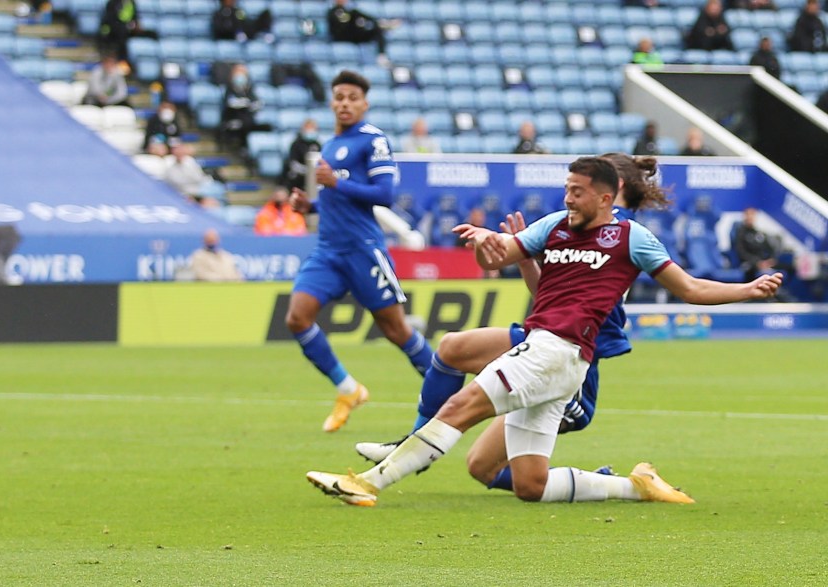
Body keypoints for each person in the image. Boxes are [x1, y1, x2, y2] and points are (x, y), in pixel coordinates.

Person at [307, 156, 783, 507]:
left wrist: (748, 290)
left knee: (461, 405)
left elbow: (691, 288)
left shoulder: (631, 238)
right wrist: (484, 244)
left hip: (561, 353)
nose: (567, 198)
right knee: (529, 485)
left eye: (577, 191)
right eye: (566, 188)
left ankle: (368, 482)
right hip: (551, 352)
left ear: (604, 196)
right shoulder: (554, 225)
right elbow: (502, 256)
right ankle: (634, 486)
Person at [355, 153, 676, 499]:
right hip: (544, 340)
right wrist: (523, 256)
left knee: (475, 425)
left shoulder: (620, 232)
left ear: (614, 189)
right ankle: (625, 486)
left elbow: (678, 284)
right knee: (480, 452)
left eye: (584, 186)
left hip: (574, 364)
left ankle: (409, 453)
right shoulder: (577, 223)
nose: (572, 196)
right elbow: (547, 297)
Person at [286, 70, 433, 433]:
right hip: (328, 251)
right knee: (297, 317)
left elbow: (384, 195)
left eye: (352, 97)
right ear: (331, 102)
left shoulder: (372, 140)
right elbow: (339, 197)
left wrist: (338, 181)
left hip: (362, 250)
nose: (345, 103)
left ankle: (445, 387)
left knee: (396, 330)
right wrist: (313, 207)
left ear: (365, 103)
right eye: (339, 97)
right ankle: (348, 389)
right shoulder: (331, 144)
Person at [219, 63, 269, 151]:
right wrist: (244, 103)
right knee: (245, 124)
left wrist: (251, 104)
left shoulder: (249, 88)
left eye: (243, 73)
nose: (240, 76)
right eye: (239, 73)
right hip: (232, 117)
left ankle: (253, 149)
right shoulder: (229, 87)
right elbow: (229, 103)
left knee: (266, 127)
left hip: (247, 118)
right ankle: (243, 148)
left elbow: (255, 102)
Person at [327, 0, 391, 68]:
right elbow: (342, 23)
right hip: (341, 37)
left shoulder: (351, 12)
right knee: (356, 18)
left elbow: (364, 18)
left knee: (377, 30)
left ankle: (381, 55)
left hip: (354, 36)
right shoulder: (333, 11)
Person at [96, 0, 157, 66]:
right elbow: (110, 19)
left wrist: (136, 25)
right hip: (116, 29)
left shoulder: (132, 3)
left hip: (129, 29)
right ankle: (123, 60)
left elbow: (135, 17)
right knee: (122, 35)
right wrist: (126, 25)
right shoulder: (112, 3)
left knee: (152, 34)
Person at [732, 207, 783, 282]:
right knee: (753, 270)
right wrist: (757, 263)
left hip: (763, 262)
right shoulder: (740, 233)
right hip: (750, 263)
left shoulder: (758, 233)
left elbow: (769, 248)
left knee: (788, 266)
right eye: (748, 215)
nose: (750, 217)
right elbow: (741, 252)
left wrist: (770, 260)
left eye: (752, 215)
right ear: (744, 216)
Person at [281, 119, 323, 191]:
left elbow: (321, 161)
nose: (311, 131)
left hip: (313, 180)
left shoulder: (317, 144)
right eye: (309, 128)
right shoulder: (296, 144)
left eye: (313, 128)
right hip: (298, 180)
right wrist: (308, 171)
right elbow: (293, 164)